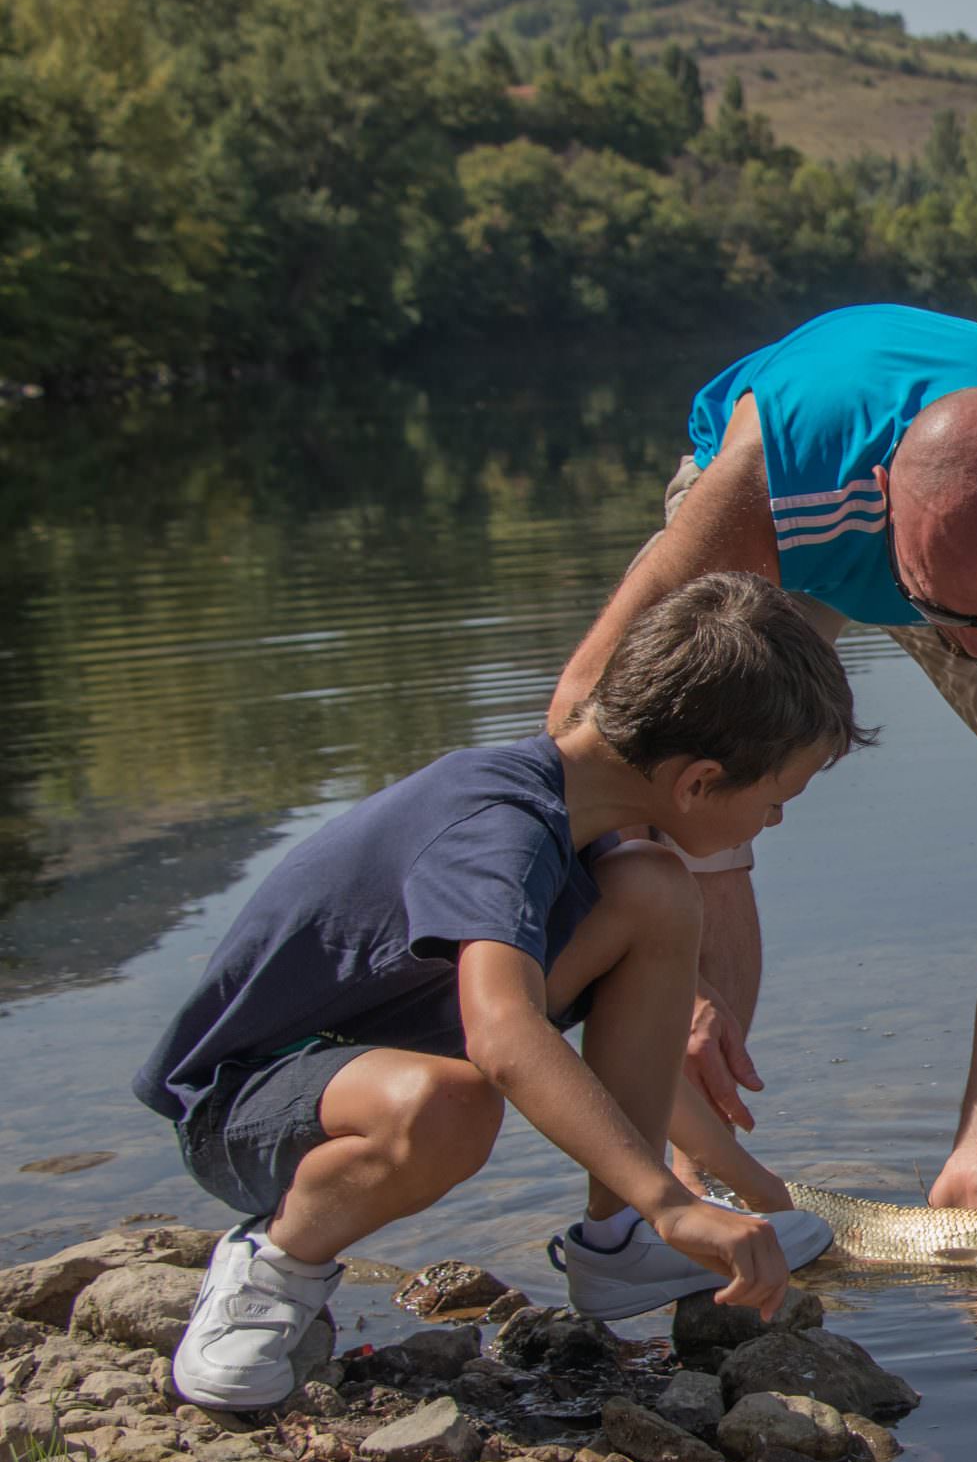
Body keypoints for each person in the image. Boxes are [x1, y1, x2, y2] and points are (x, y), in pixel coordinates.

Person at [547, 305, 977, 1227]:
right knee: (688, 802)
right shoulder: (776, 482)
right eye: (949, 613)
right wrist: (677, 971)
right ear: (886, 515)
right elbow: (584, 715)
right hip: (794, 549)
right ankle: (685, 1189)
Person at [135, 574, 864, 1409]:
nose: (774, 821)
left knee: (656, 889)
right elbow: (505, 1036)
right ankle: (273, 1263)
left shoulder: (578, 816)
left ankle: (614, 1241)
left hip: (367, 1068)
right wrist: (672, 1204)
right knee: (455, 1102)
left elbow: (626, 1064)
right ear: (697, 783)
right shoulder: (499, 832)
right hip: (248, 1107)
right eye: (777, 800)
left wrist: (750, 1189)